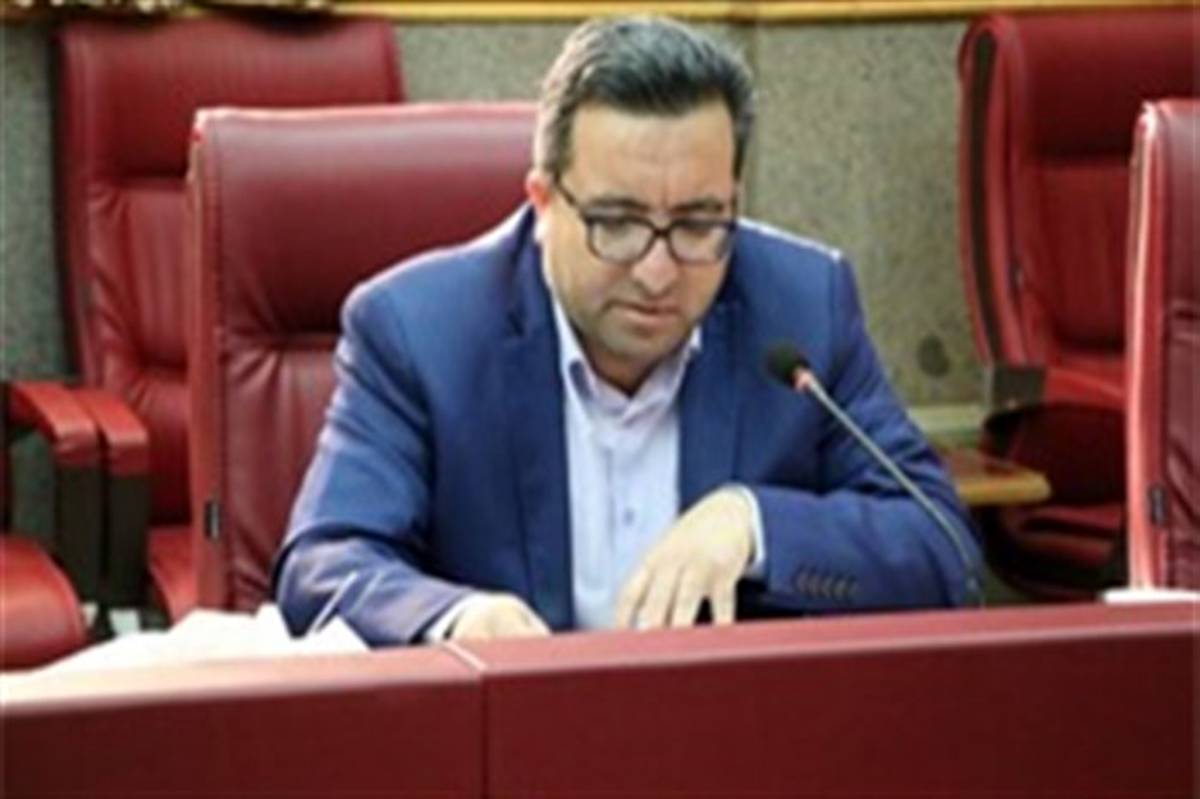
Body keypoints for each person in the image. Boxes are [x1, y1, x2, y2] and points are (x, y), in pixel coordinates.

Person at [274, 16, 980, 646]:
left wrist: (757, 523)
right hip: (512, 733)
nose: (657, 271)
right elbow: (324, 561)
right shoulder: (419, 331)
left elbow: (943, 544)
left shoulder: (803, 307)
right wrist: (455, 617)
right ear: (543, 202)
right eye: (617, 223)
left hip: (728, 728)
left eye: (698, 223)